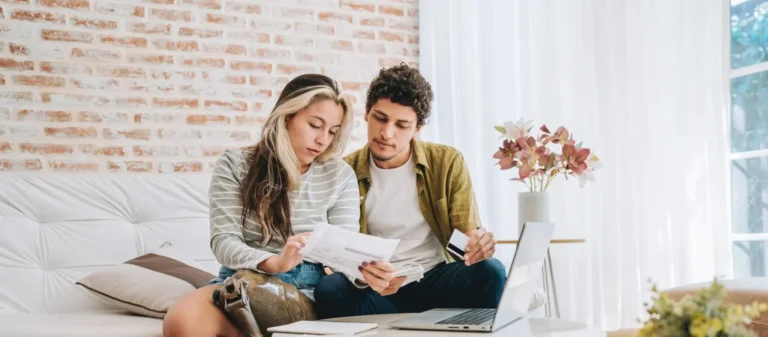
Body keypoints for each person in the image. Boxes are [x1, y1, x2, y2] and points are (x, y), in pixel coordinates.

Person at [163, 74, 360, 337]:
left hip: (308, 288)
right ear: (287, 116)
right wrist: (274, 262)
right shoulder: (235, 164)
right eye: (315, 125)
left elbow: (346, 249)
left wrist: (364, 268)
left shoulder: (340, 174)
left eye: (333, 131)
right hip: (241, 281)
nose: (323, 140)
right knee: (182, 324)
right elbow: (224, 241)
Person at [313, 64, 507, 319]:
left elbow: (465, 237)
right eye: (380, 118)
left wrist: (477, 245)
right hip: (379, 288)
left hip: (435, 279)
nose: (387, 133)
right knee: (330, 288)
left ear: (417, 129)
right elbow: (338, 250)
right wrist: (364, 275)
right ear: (367, 113)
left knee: (490, 271)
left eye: (402, 125)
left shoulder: (446, 162)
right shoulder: (345, 171)